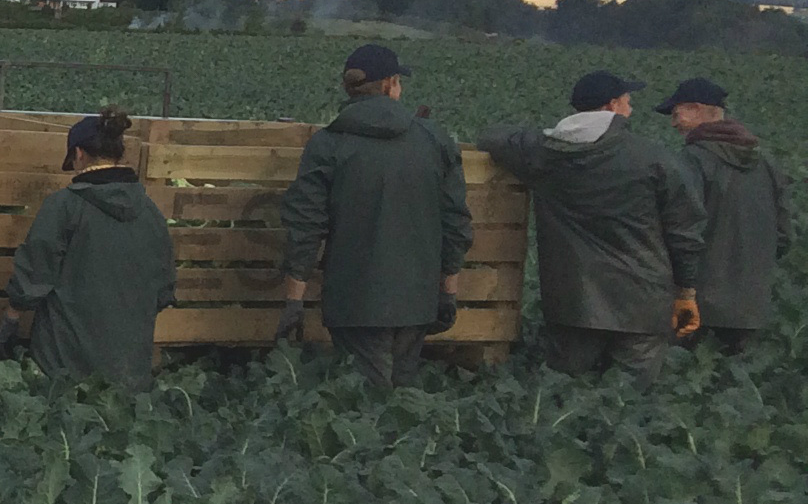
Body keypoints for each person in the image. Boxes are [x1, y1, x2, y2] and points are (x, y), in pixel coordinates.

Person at [481, 69, 706, 380]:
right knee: (634, 405)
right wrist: (686, 292)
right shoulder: (654, 159)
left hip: (572, 303)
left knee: (563, 397)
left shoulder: (543, 152)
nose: (631, 109)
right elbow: (685, 236)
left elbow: (491, 135)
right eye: (628, 101)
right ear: (612, 105)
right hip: (642, 304)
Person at [273, 42, 474, 387]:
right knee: (401, 400)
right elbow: (455, 222)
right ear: (389, 85)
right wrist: (448, 291)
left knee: (366, 401)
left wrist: (294, 299)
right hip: (416, 301)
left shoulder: (327, 144)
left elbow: (305, 225)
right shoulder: (434, 140)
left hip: (354, 302)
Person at [0, 109, 178, 391]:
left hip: (65, 366)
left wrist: (12, 316)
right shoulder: (151, 212)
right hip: (128, 371)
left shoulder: (64, 206)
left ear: (79, 154)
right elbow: (164, 289)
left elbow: (36, 271)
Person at [659, 77, 786, 356]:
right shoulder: (766, 163)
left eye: (676, 113)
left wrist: (682, 288)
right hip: (751, 307)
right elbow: (784, 235)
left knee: (685, 388)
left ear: (696, 109)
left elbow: (681, 230)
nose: (673, 123)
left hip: (699, 306)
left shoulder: (692, 160)